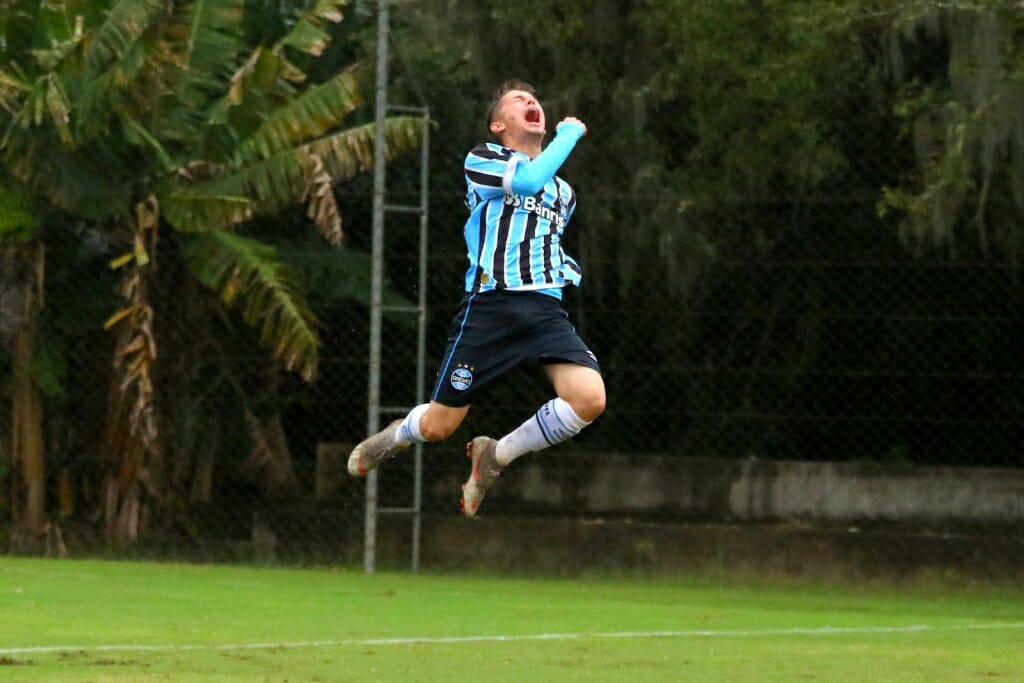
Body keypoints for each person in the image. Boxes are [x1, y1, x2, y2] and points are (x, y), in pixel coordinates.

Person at [347, 79, 605, 517]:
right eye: (519, 100)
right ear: (498, 124)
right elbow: (525, 184)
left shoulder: (564, 194)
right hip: (491, 308)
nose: (532, 102)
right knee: (439, 425)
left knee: (590, 399)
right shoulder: (484, 160)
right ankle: (396, 435)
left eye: (535, 98)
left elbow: (540, 232)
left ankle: (495, 456)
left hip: (544, 310)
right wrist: (569, 134)